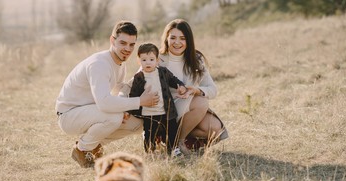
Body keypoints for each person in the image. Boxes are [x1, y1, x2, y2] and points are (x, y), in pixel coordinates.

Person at [55, 21, 159, 168]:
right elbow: (104, 102)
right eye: (123, 43)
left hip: (90, 111)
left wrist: (140, 77)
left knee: (138, 124)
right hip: (69, 115)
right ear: (112, 40)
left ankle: (94, 144)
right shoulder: (100, 64)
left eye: (131, 44)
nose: (127, 49)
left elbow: (119, 89)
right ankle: (81, 149)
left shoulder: (119, 64)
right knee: (114, 116)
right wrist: (139, 101)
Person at [159, 19, 228, 155]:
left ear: (188, 41)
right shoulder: (158, 58)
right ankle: (177, 142)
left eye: (182, 38)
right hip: (166, 111)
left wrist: (197, 90)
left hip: (188, 108)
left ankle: (171, 137)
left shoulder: (195, 59)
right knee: (201, 102)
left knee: (215, 129)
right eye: (173, 38)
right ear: (166, 39)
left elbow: (213, 90)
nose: (177, 42)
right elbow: (136, 81)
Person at [128, 43, 188, 156]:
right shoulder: (139, 77)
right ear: (139, 61)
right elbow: (134, 95)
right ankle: (150, 151)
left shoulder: (163, 72)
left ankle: (174, 149)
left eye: (151, 59)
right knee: (149, 133)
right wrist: (129, 110)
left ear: (157, 60)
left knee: (172, 131)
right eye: (144, 60)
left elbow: (173, 80)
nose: (148, 62)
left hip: (167, 111)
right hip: (149, 113)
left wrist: (180, 86)